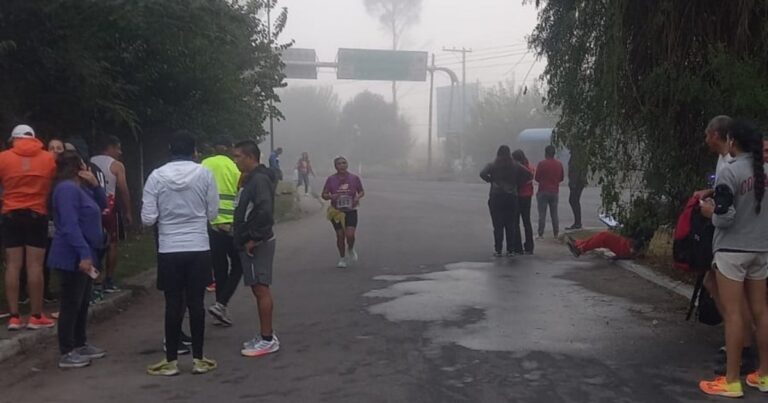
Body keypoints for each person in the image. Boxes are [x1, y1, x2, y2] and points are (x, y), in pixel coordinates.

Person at [698, 119, 768, 397]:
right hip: (761, 250)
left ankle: (731, 380)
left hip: (732, 252)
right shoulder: (764, 171)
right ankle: (763, 375)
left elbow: (725, 217)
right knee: (761, 312)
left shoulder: (730, 171)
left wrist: (708, 212)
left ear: (731, 142)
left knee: (734, 315)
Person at [142, 131, 219, 376]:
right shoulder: (205, 174)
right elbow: (213, 214)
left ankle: (171, 361)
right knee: (196, 303)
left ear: (170, 150)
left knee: (173, 303)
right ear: (194, 152)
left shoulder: (155, 176)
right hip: (198, 246)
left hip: (169, 248)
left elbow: (147, 218)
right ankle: (198, 359)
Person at [48, 150, 107, 368]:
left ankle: (80, 343)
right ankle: (67, 350)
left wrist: (95, 185)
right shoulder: (66, 190)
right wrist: (83, 254)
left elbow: (101, 206)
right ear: (78, 167)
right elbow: (70, 225)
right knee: (71, 303)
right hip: (72, 255)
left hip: (87, 252)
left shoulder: (80, 189)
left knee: (82, 302)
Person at [1, 125, 57, 331]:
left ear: (13, 139)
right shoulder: (48, 158)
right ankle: (36, 315)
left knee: (13, 265)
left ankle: (14, 316)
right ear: (34, 138)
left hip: (11, 214)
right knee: (35, 266)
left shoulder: (3, 158)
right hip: (37, 214)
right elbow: (51, 183)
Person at [232, 140, 280, 357]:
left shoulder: (259, 180)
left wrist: (254, 238)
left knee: (261, 288)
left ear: (250, 157)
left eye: (238, 156)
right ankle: (264, 335)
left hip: (257, 243)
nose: (235, 161)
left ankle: (268, 339)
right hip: (248, 240)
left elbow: (264, 211)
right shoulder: (250, 179)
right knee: (257, 288)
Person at [201, 136, 242, 327]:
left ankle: (220, 306)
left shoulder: (204, 164)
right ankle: (221, 304)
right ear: (230, 148)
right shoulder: (234, 167)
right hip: (231, 223)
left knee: (219, 267)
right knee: (238, 265)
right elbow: (240, 192)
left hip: (210, 223)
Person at [90, 136, 132, 293]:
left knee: (93, 243)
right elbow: (123, 189)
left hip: (91, 207)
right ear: (110, 148)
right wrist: (128, 211)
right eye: (118, 148)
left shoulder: (90, 161)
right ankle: (109, 279)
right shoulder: (116, 165)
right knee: (112, 243)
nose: (120, 152)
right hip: (109, 206)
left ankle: (95, 279)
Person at [480, 146, 532, 257]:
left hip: (496, 196)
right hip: (511, 197)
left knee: (497, 225)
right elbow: (529, 175)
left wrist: (490, 180)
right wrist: (518, 183)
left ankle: (498, 249)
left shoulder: (492, 165)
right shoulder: (515, 165)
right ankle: (510, 249)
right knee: (511, 224)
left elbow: (482, 173)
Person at [322, 156, 365, 269]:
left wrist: (357, 198)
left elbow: (361, 191)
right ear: (335, 166)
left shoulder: (354, 178)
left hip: (350, 210)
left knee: (350, 235)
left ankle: (350, 248)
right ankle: (342, 258)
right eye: (339, 164)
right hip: (336, 212)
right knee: (340, 235)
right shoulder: (331, 179)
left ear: (347, 165)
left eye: (344, 163)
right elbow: (324, 195)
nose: (342, 165)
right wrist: (331, 196)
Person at [535, 145, 564, 239]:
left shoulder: (541, 164)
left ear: (546, 153)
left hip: (543, 190)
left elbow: (537, 178)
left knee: (542, 214)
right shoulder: (559, 164)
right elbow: (561, 178)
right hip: (554, 191)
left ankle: (540, 234)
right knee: (554, 214)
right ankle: (556, 233)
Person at [512, 149, 535, 255]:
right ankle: (529, 246)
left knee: (515, 222)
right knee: (527, 221)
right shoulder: (530, 166)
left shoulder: (516, 167)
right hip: (528, 196)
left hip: (517, 196)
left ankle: (518, 247)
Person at [565, 231, 649, 259]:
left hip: (624, 248)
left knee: (603, 237)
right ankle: (579, 243)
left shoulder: (644, 237)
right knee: (602, 235)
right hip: (624, 244)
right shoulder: (644, 233)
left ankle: (580, 249)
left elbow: (633, 252)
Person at [566, 148, 588, 230]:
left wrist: (573, 183)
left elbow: (575, 171)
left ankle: (578, 223)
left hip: (577, 182)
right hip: (578, 182)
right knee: (574, 201)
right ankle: (577, 222)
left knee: (573, 200)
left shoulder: (576, 157)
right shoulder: (579, 156)